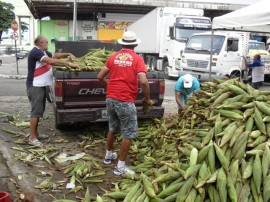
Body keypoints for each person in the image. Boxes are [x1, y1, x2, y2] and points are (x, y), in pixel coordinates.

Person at [97, 31, 152, 175]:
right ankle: (120, 167)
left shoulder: (113, 57)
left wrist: (111, 85)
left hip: (110, 98)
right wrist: (146, 98)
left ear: (122, 43)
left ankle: (109, 156)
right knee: (128, 133)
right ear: (135, 44)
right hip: (125, 100)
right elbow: (144, 81)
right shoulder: (137, 59)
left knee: (113, 127)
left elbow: (100, 76)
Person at [26, 35, 79, 147]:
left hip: (41, 85)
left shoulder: (43, 51)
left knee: (39, 111)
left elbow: (55, 56)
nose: (47, 44)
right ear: (40, 43)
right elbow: (51, 61)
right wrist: (69, 64)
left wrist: (68, 54)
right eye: (46, 42)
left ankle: (36, 134)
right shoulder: (36, 52)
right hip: (35, 86)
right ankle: (32, 137)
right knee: (36, 112)